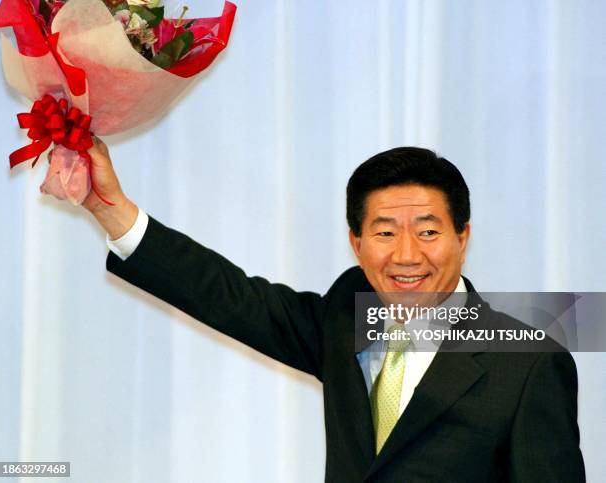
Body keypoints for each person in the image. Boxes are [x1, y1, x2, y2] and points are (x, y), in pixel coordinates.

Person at [80, 140, 585, 482]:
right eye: (385, 233)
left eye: (428, 232)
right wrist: (111, 208)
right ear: (357, 243)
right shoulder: (346, 318)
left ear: (463, 237)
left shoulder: (529, 363)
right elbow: (230, 296)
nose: (407, 256)